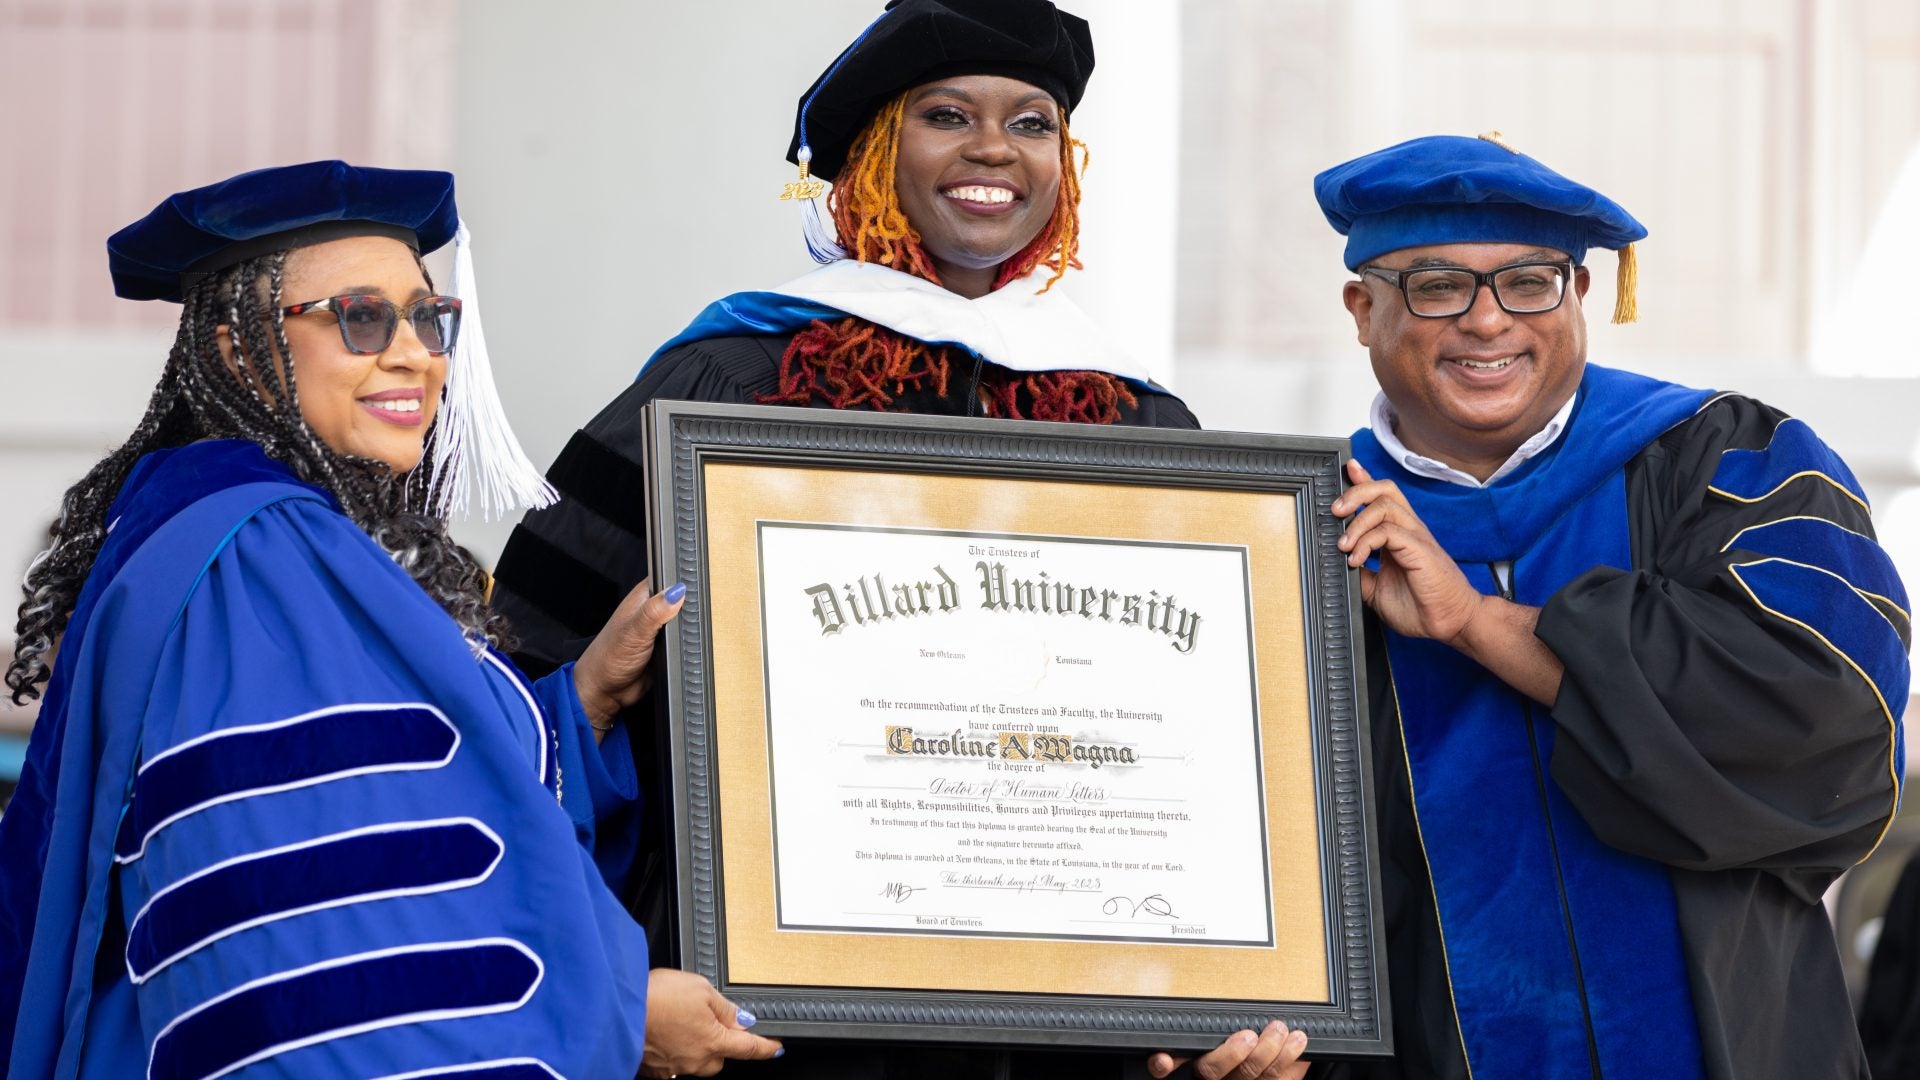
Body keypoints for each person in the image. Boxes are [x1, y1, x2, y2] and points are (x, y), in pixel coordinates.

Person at [491, 3, 1307, 1078]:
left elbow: (1208, 753)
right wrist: (610, 975)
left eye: (1031, 122)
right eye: (946, 114)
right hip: (780, 1021)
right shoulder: (726, 388)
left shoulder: (1135, 421)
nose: (992, 150)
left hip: (1061, 1033)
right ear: (877, 152)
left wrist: (1214, 1005)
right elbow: (529, 684)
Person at [0, 162, 782, 1078]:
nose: (413, 352)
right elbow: (310, 921)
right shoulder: (261, 557)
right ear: (239, 350)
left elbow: (402, 792)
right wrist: (612, 1003)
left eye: (427, 317)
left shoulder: (263, 534)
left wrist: (583, 702)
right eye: (361, 317)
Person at [1309, 134, 1909, 1079]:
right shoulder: (1308, 530)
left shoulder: (1730, 464)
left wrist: (1477, 622)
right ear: (1362, 307)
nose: (1488, 322)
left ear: (1582, 296)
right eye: (1436, 286)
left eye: (1531, 282)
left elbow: (1827, 726)